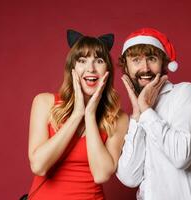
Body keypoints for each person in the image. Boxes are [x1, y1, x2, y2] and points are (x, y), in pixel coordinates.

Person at [27, 29, 128, 200]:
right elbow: (39, 166)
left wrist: (89, 115)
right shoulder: (44, 103)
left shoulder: (118, 118)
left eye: (99, 60)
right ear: (72, 68)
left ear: (107, 70)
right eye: (82, 60)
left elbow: (101, 174)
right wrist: (77, 114)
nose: (91, 68)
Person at [116, 28, 191, 200]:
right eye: (136, 60)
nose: (145, 67)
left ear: (163, 64)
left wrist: (146, 110)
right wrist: (138, 114)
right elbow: (129, 177)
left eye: (152, 59)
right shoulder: (140, 113)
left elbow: (181, 157)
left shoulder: (185, 93)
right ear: (126, 66)